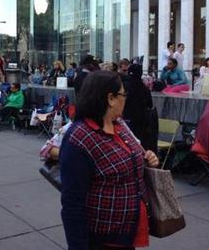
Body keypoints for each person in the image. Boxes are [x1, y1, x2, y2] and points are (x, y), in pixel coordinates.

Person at [60, 70, 159, 250]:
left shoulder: (119, 125)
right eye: (123, 94)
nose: (125, 98)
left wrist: (147, 158)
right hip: (103, 237)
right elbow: (72, 204)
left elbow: (128, 157)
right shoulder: (80, 137)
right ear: (110, 98)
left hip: (127, 230)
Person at [123, 64, 156, 153]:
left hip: (126, 120)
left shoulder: (124, 86)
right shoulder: (144, 88)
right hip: (141, 122)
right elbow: (150, 104)